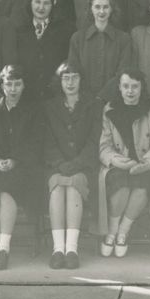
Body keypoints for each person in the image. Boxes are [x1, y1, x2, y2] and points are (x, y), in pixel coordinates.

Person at [0, 64, 40, 270]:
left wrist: (15, 160)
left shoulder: (32, 110)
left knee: (6, 193)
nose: (13, 89)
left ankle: (4, 248)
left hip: (22, 167)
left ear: (24, 86)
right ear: (1, 85)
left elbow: (34, 142)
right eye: (9, 84)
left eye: (17, 84)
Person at [96, 69, 150, 258]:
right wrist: (118, 161)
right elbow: (104, 146)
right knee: (122, 186)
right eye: (126, 86)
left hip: (144, 162)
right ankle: (111, 231)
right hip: (119, 164)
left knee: (143, 185)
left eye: (135, 86)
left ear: (142, 88)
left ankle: (122, 233)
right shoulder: (110, 109)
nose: (130, 91)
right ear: (119, 87)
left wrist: (148, 162)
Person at [43, 62, 101, 269]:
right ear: (59, 81)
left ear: (81, 80)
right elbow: (47, 141)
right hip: (55, 165)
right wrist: (60, 164)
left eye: (75, 77)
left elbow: (94, 142)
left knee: (74, 186)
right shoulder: (50, 106)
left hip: (83, 166)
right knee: (58, 188)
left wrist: (76, 164)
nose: (70, 82)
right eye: (66, 78)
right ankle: (58, 249)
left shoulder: (93, 105)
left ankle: (72, 249)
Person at [66, 0, 134, 102]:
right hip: (84, 101)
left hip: (113, 100)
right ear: (91, 9)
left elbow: (123, 72)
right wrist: (87, 97)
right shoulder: (78, 38)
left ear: (111, 9)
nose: (101, 11)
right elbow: (74, 71)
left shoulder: (123, 39)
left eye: (106, 7)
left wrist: (103, 96)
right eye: (97, 7)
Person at [16, 0, 74, 102]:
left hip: (54, 93)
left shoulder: (65, 30)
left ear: (53, 5)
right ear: (31, 3)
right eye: (37, 2)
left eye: (46, 3)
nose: (41, 7)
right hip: (27, 94)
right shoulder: (20, 29)